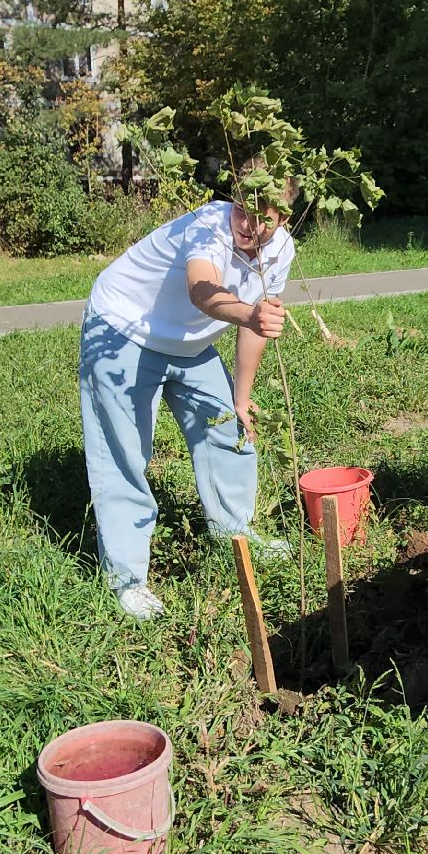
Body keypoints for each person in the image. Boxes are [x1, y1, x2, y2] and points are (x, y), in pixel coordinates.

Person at [80, 185, 298, 621]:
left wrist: (241, 396)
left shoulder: (281, 251)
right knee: (125, 451)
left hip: (189, 342)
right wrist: (250, 312)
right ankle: (127, 579)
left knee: (228, 429)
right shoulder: (207, 226)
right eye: (242, 209)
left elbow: (256, 324)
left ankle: (233, 530)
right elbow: (202, 289)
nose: (248, 225)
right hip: (123, 329)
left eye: (265, 218)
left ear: (285, 219)